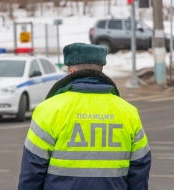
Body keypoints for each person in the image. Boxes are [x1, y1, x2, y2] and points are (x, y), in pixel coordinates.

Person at [18, 43, 151, 190]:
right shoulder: (128, 112)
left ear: (71, 72)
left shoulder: (48, 110)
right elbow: (140, 168)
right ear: (101, 70)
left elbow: (32, 170)